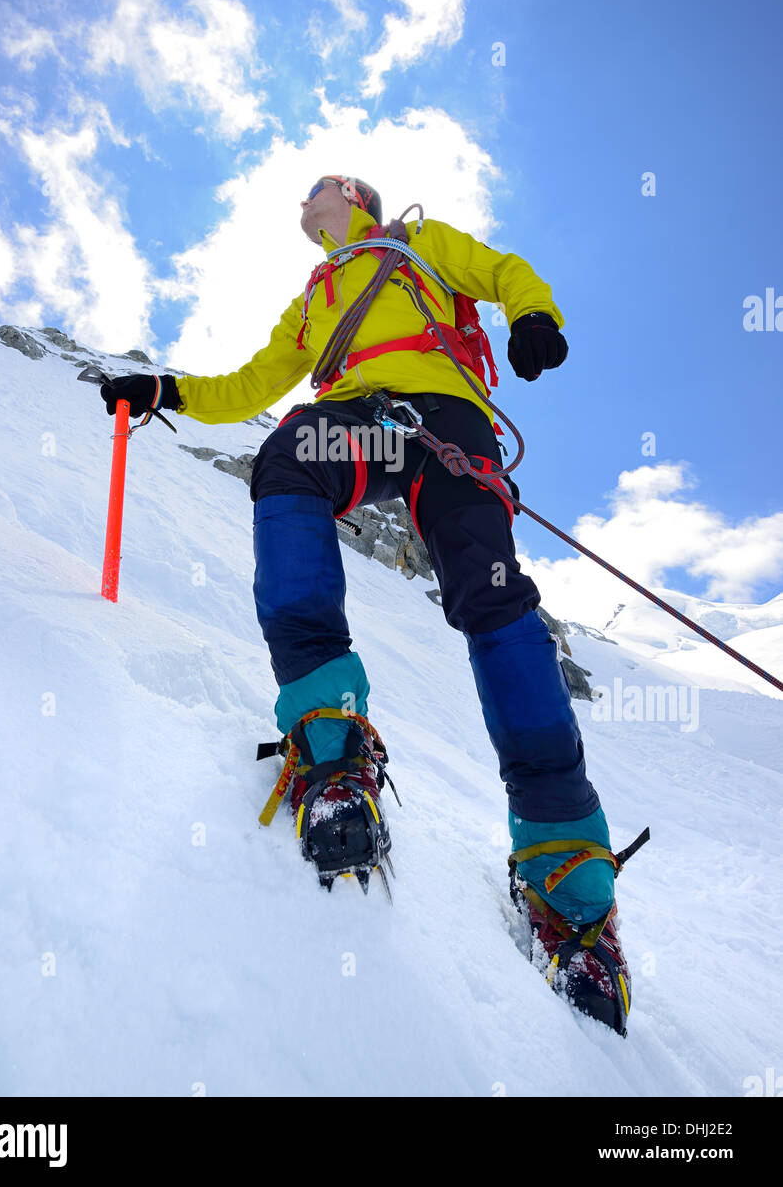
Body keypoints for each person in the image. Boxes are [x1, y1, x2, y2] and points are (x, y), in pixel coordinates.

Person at [102, 174, 635, 1032]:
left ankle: (569, 880)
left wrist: (534, 314)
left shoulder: (417, 245)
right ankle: (329, 738)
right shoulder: (313, 298)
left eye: (312, 190)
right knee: (285, 455)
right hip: (354, 414)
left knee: (491, 598)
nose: (299, 203)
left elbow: (500, 270)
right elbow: (252, 382)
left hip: (448, 420)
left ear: (352, 196)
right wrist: (166, 391)